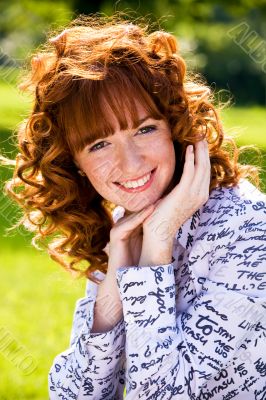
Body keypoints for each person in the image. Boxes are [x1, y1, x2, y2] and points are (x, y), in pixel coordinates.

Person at [2, 14, 266, 400]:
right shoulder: (127, 227)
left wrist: (157, 247)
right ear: (75, 161)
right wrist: (112, 284)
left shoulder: (249, 232)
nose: (130, 164)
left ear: (173, 126)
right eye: (99, 144)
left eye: (144, 129)